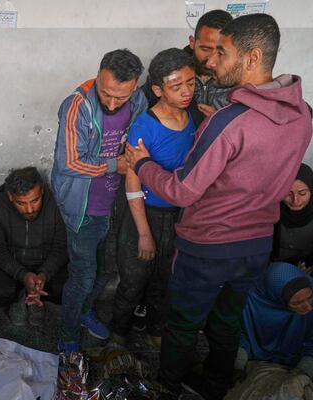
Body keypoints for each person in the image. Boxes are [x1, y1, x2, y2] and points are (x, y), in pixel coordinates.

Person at [126, 13, 313, 399]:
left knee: (182, 324)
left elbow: (181, 192)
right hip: (257, 245)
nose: (211, 62)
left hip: (208, 247)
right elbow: (262, 166)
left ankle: (169, 388)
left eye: (222, 53)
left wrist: (141, 164)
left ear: (252, 56)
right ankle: (214, 386)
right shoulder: (302, 114)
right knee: (227, 323)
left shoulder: (230, 122)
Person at [51, 49, 148, 352]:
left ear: (134, 86)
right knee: (83, 277)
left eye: (121, 97)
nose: (111, 103)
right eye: (106, 94)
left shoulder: (139, 102)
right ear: (99, 75)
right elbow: (68, 162)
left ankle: (82, 313)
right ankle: (66, 335)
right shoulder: (76, 106)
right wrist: (114, 165)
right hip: (84, 209)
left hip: (118, 205)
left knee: (106, 271)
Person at [110, 48, 196, 349]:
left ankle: (155, 330)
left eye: (191, 83)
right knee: (133, 281)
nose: (186, 92)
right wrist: (144, 234)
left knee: (164, 279)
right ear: (158, 89)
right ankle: (117, 334)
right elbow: (132, 186)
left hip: (177, 215)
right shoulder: (144, 127)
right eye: (177, 86)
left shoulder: (192, 117)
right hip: (143, 214)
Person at [0, 167, 68, 327]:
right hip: (13, 263)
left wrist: (44, 275)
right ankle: (23, 295)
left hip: (46, 263)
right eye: (21, 203)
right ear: (10, 196)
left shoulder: (58, 205)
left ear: (41, 191)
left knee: (68, 290)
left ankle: (34, 294)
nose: (29, 210)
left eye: (34, 200)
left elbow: (61, 247)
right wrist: (23, 275)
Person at [227, 262, 313, 399]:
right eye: (297, 303)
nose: (308, 307)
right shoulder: (250, 302)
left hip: (301, 362)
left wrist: (303, 372)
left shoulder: (309, 291)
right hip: (257, 362)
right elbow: (238, 335)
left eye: (310, 298)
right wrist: (238, 367)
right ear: (276, 297)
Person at [142, 9, 233, 121]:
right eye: (205, 49)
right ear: (192, 42)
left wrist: (221, 120)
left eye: (220, 52)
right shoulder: (168, 69)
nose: (211, 61)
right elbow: (140, 108)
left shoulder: (237, 77)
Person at [273, 164, 313, 266]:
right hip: (272, 267)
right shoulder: (270, 212)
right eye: (288, 194)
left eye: (302, 193)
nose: (295, 201)